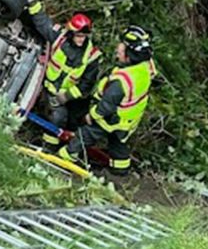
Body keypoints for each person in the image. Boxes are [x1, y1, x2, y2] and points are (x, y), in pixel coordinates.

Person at [58, 24, 156, 175]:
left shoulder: (121, 82)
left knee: (86, 134)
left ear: (129, 55)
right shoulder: (145, 67)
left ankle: (66, 156)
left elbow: (106, 107)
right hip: (129, 118)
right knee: (118, 143)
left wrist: (91, 116)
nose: (117, 49)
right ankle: (121, 170)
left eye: (121, 49)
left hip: (111, 118)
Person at [23, 0, 102, 149]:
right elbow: (42, 23)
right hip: (42, 85)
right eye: (78, 36)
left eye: (84, 36)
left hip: (61, 96)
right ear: (71, 33)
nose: (81, 39)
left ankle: (47, 148)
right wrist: (32, 2)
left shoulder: (91, 57)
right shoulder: (60, 37)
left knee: (58, 119)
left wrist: (64, 97)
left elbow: (86, 85)